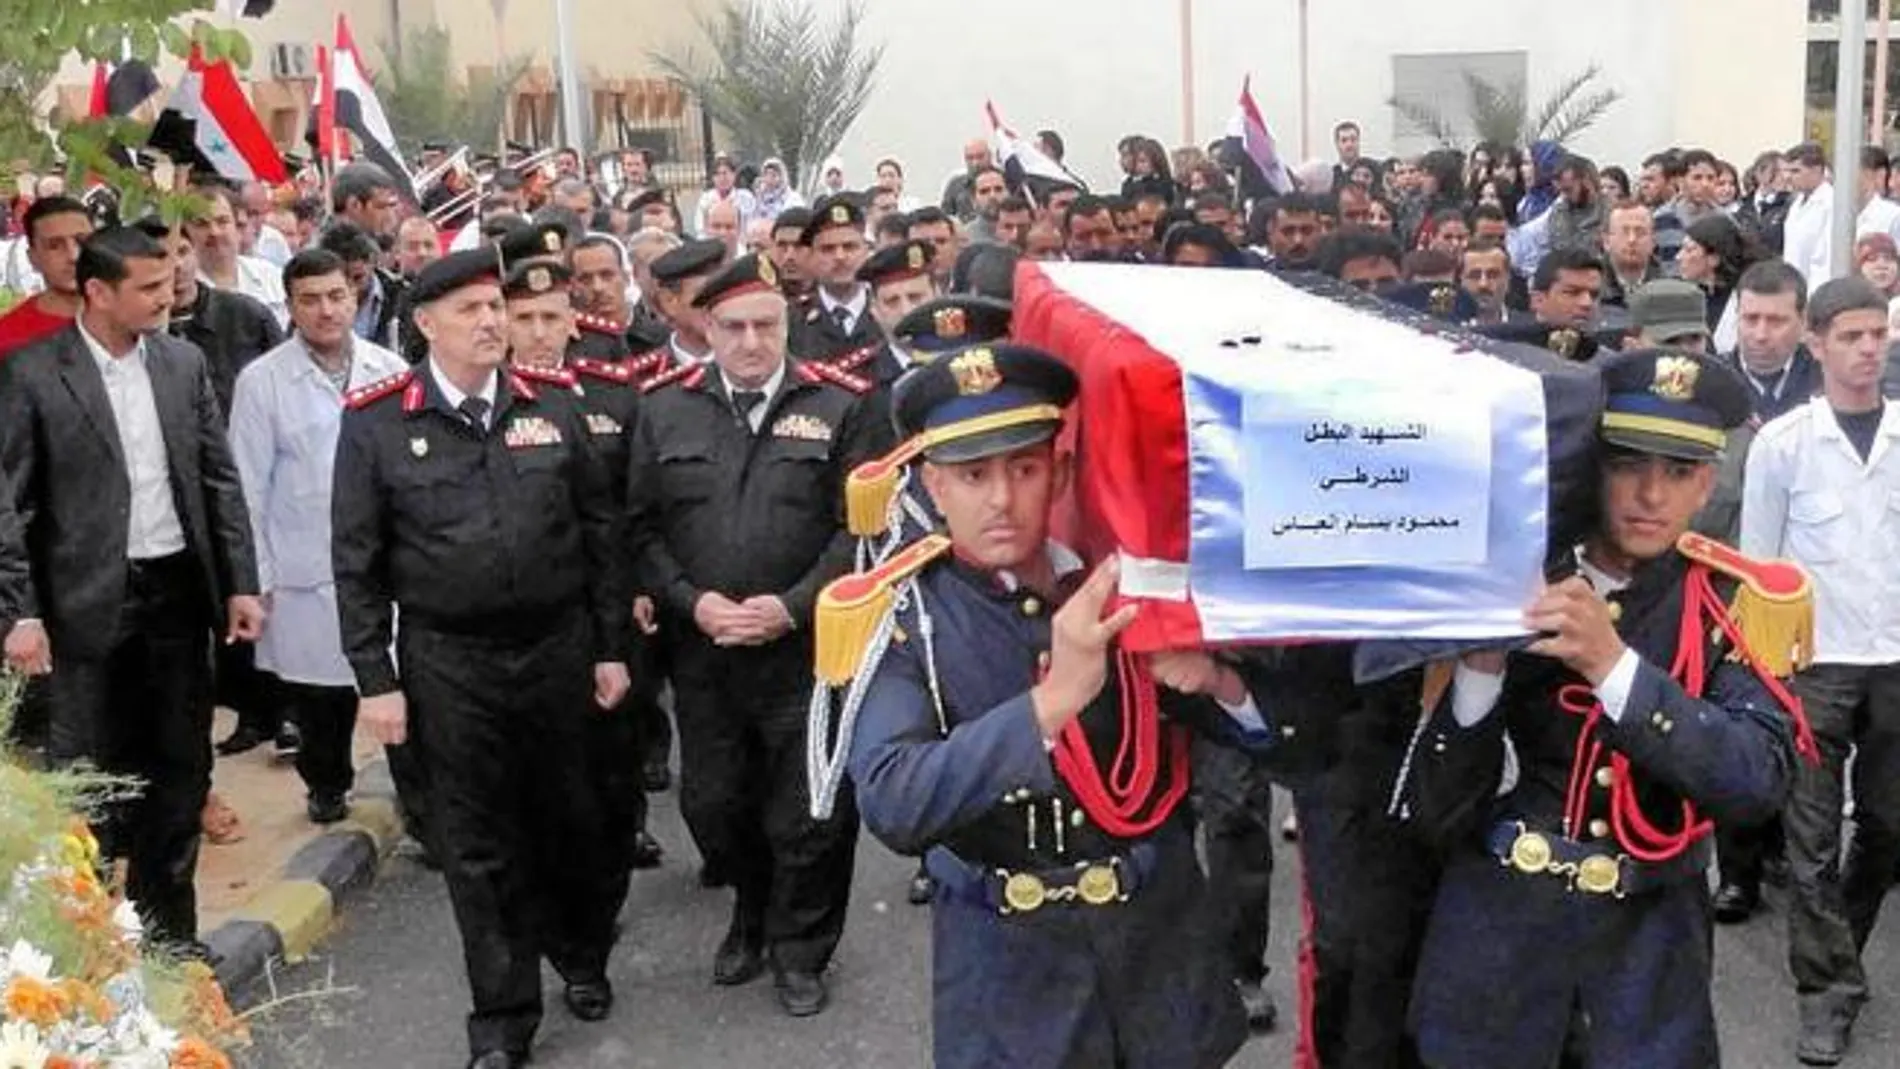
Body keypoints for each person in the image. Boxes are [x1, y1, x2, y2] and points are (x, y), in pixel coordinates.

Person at [838, 343, 1287, 1068]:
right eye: (972, 475)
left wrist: (1219, 683)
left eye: (1024, 467)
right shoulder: (909, 619)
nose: (1001, 499)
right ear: (932, 485)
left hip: (1158, 948)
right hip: (1013, 973)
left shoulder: (1127, 590)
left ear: (1062, 470)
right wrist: (1053, 701)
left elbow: (1295, 748)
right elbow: (893, 798)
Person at [1407, 348, 1804, 1069]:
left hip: (1645, 959)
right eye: (1629, 464)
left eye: (1678, 472)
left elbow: (1755, 781)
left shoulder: (1730, 603)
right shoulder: (1517, 578)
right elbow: (1434, 809)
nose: (1651, 493)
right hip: (1499, 941)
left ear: (1707, 483)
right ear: (1594, 466)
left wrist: (1611, 663)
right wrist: (1479, 668)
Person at [331, 248, 630, 1069]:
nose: (493, 321)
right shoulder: (379, 422)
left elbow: (601, 536)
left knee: (573, 817)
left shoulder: (554, 407)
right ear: (425, 324)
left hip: (558, 649)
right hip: (448, 661)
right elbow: (354, 562)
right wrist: (376, 679)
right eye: (470, 310)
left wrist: (611, 647)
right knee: (476, 839)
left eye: (496, 306)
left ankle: (581, 952)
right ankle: (501, 1014)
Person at [625, 253, 890, 1016]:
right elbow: (641, 528)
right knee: (715, 805)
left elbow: (859, 531)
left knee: (810, 807)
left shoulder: (842, 405)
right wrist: (690, 600)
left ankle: (800, 948)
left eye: (765, 325)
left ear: (787, 324)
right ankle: (751, 906)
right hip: (704, 650)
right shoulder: (664, 408)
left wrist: (794, 604)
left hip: (805, 649)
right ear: (705, 328)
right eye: (733, 327)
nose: (750, 342)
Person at [0, 226, 265, 952]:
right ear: (98, 291)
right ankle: (95, 946)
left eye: (168, 279)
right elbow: (8, 503)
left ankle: (170, 940)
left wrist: (241, 581)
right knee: (88, 782)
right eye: (147, 287)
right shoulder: (31, 375)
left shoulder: (182, 363)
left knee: (181, 770)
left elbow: (218, 478)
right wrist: (18, 613)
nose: (167, 294)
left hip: (178, 595)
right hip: (80, 610)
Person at [1742, 276, 1900, 1067]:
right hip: (1815, 667)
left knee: (1887, 825)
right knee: (1807, 840)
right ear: (1819, 345)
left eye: (1878, 334)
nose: (1869, 349)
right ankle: (1827, 994)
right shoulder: (1785, 444)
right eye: (1851, 336)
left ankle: (1844, 949)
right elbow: (1761, 567)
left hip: (1897, 663)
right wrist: (1765, 678)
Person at [228, 249, 408, 824]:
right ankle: (326, 784)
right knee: (321, 699)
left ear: (354, 298)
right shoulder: (262, 382)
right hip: (307, 568)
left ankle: (423, 805)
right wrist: (255, 580)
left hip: (384, 565)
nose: (326, 311)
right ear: (291, 306)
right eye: (310, 300)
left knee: (401, 691)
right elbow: (248, 486)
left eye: (336, 297)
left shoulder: (391, 371)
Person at [501, 257, 665, 875]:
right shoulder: (487, 401)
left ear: (574, 321)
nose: (539, 332)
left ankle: (625, 832)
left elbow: (638, 498)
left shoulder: (613, 391)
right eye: (525, 318)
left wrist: (639, 585)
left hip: (611, 590)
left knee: (618, 730)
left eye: (551, 317)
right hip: (534, 599)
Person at [827, 239, 938, 386]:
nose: (906, 311)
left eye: (915, 297)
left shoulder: (967, 362)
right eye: (892, 301)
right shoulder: (852, 381)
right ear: (874, 309)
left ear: (938, 297)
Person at [0, 196, 92, 358]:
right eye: (54, 246)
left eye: (82, 241)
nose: (73, 255)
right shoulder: (8, 339)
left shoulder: (131, 316)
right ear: (33, 258)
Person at [790, 197, 878, 360]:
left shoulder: (886, 313)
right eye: (828, 249)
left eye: (849, 247)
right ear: (811, 257)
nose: (840, 256)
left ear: (866, 252)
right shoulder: (791, 319)